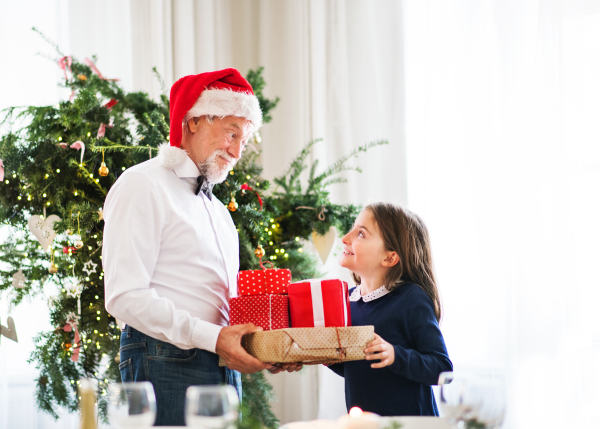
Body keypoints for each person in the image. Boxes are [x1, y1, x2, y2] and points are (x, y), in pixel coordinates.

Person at [103, 69, 294, 426]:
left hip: (219, 364)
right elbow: (124, 296)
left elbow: (221, 307)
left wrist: (266, 348)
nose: (237, 151)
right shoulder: (142, 184)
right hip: (163, 360)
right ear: (193, 122)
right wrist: (214, 337)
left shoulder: (219, 212)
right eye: (231, 133)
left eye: (244, 139)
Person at [328, 202, 453, 416]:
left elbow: (443, 369)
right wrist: (329, 357)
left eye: (361, 234)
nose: (345, 238)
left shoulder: (410, 299)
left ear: (389, 257)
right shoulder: (345, 300)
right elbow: (359, 369)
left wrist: (395, 356)